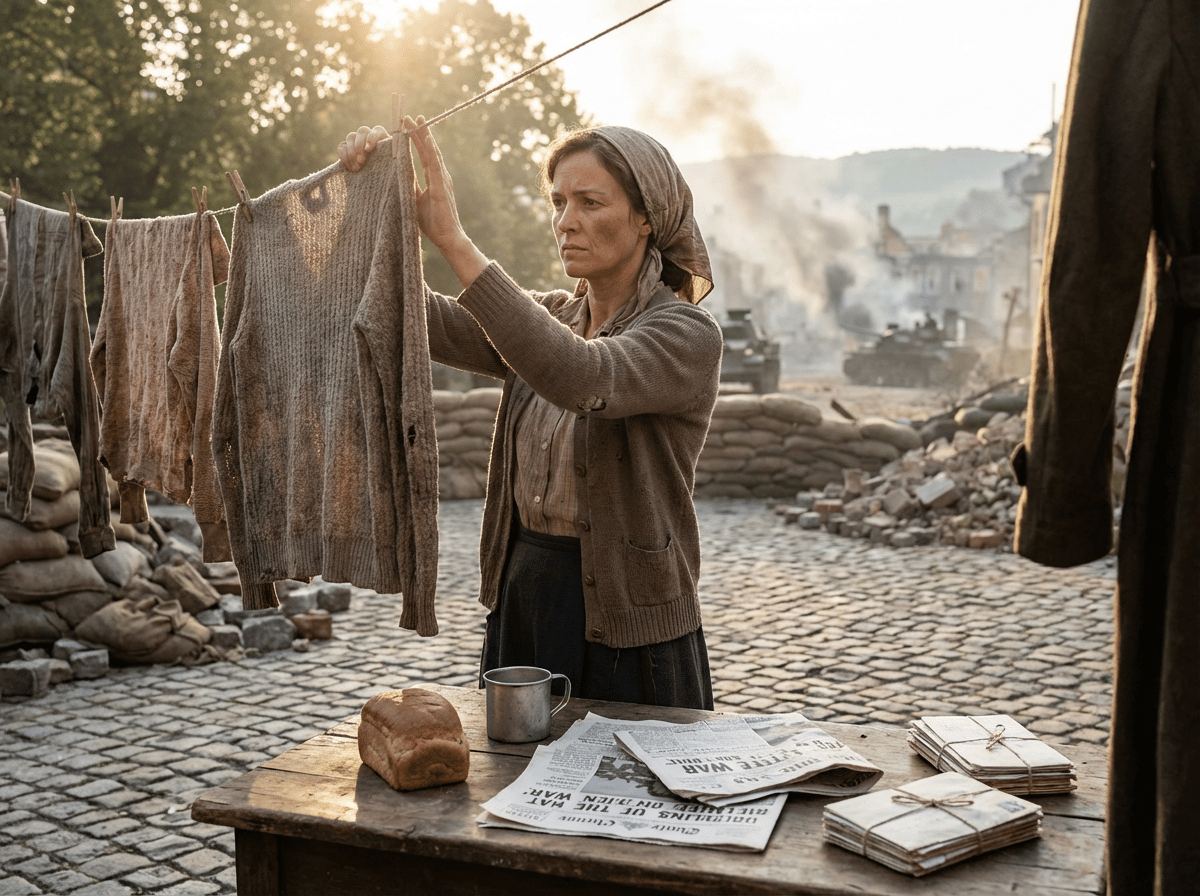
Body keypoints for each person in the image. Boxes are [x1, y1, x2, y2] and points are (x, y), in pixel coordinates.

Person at [339, 116, 723, 709]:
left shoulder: (684, 333)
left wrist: (453, 241)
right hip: (524, 602)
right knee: (512, 787)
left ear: (648, 217)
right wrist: (365, 201)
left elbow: (582, 375)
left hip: (629, 626)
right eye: (559, 201)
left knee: (630, 795)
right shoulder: (551, 320)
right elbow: (412, 317)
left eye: (590, 202)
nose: (566, 221)